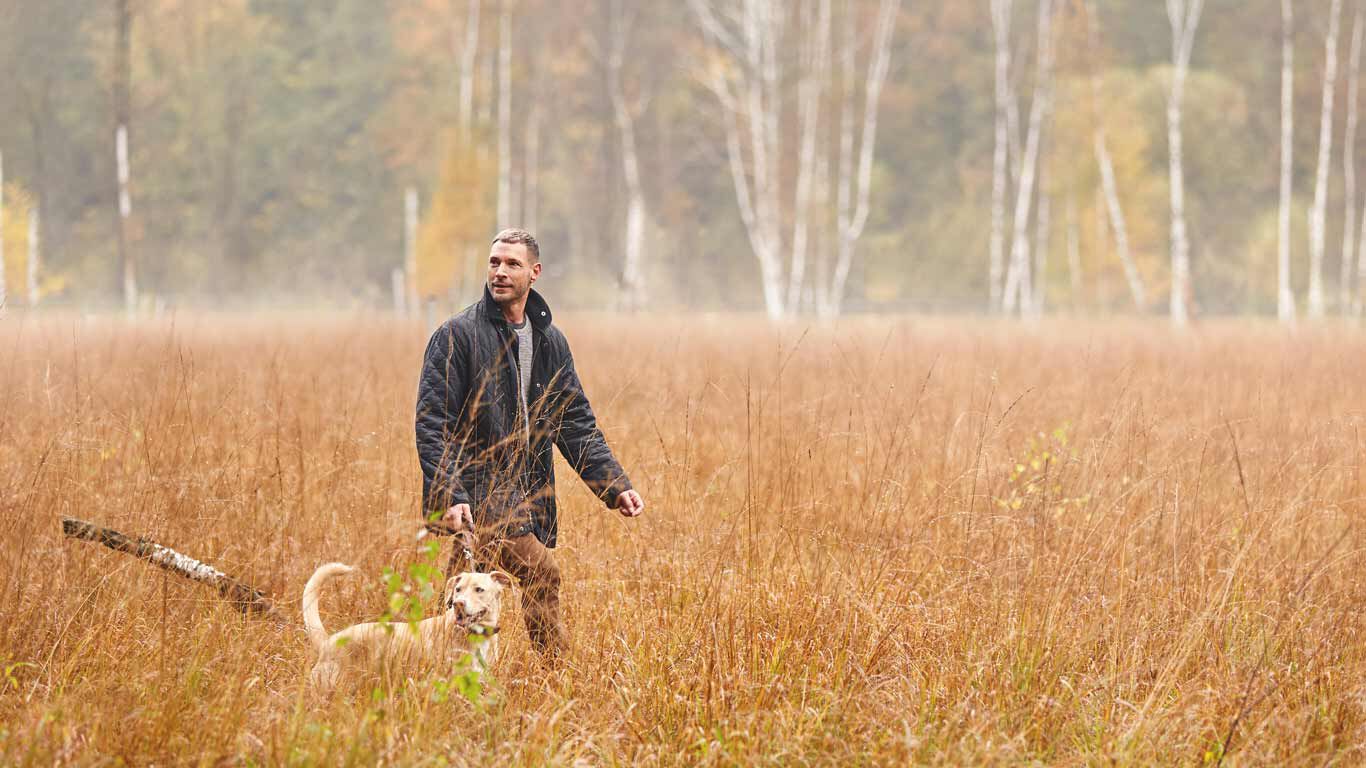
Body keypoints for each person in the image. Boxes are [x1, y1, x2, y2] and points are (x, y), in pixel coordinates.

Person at [415, 228, 645, 662]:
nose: (500, 272)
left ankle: (432, 683)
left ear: (534, 272)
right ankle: (555, 674)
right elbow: (432, 424)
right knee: (540, 573)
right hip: (475, 488)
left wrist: (615, 486)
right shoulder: (457, 336)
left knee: (460, 594)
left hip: (526, 490)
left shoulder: (549, 342)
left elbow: (575, 421)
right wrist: (450, 494)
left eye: (512, 264)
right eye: (494, 263)